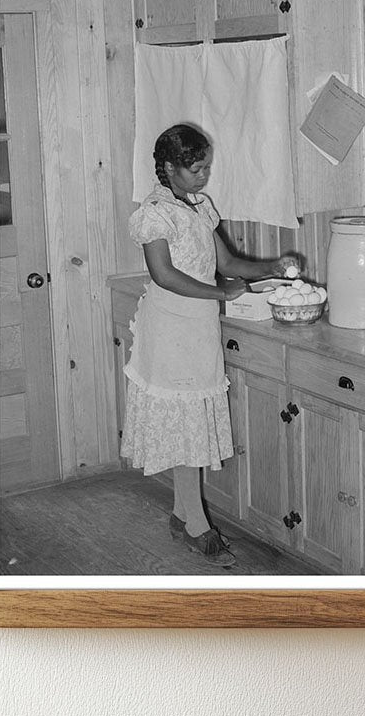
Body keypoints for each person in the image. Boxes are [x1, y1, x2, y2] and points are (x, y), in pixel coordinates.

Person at [121, 124, 293, 568]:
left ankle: (182, 516)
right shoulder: (154, 213)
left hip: (199, 329)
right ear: (168, 168)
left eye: (206, 167)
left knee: (191, 421)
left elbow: (228, 263)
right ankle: (196, 524)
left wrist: (275, 263)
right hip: (170, 328)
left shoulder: (199, 207)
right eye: (195, 169)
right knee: (184, 422)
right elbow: (164, 274)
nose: (203, 176)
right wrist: (222, 294)